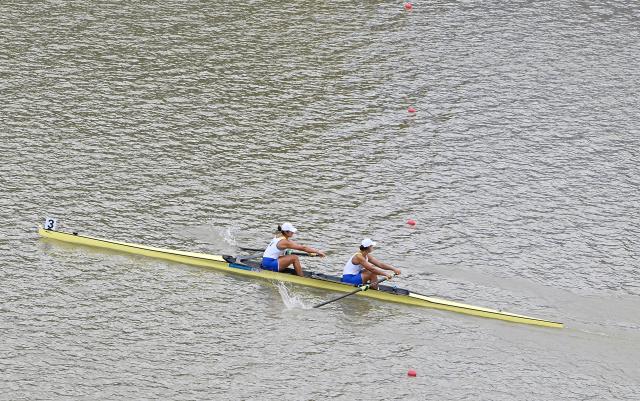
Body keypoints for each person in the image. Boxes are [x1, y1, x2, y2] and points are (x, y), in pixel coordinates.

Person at [261, 223, 326, 276]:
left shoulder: (278, 236)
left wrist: (286, 251)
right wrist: (318, 251)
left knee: (290, 256)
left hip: (265, 262)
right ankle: (301, 278)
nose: (293, 232)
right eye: (291, 231)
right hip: (269, 265)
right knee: (294, 258)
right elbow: (303, 248)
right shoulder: (284, 242)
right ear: (286, 232)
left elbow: (276, 249)